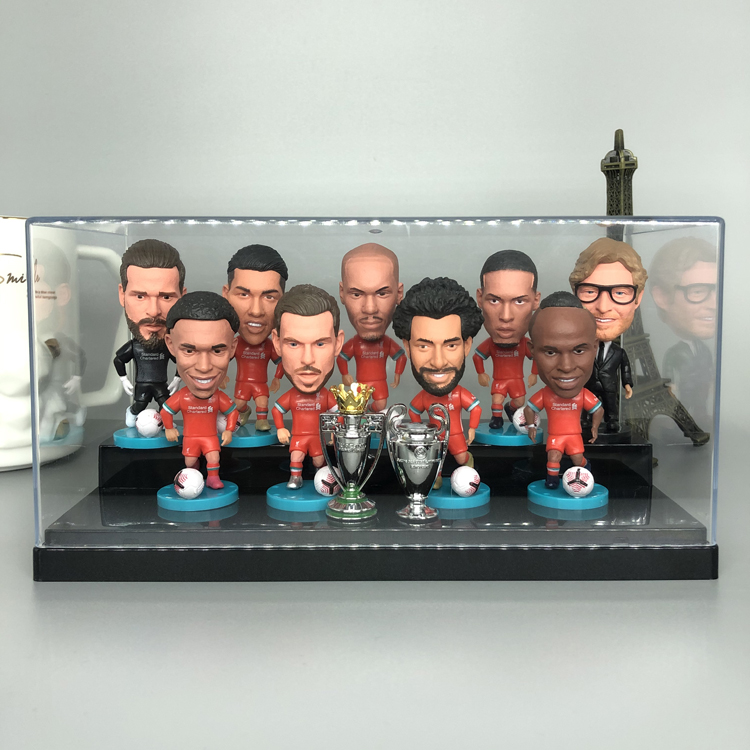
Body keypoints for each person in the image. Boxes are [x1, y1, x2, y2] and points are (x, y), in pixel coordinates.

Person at [392, 277, 484, 488]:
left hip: (457, 436)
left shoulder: (459, 394)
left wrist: (472, 429)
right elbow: (414, 410)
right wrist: (420, 430)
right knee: (435, 460)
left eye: (451, 345)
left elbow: (475, 409)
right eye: (424, 346)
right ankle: (437, 478)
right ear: (407, 346)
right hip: (434, 438)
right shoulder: (424, 397)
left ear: (467, 345)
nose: (438, 362)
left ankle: (468, 473)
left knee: (461, 457)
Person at [161, 291, 240, 490]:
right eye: (189, 350)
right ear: (170, 344)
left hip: (211, 438)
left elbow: (232, 412)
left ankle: (212, 478)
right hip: (190, 438)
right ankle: (192, 479)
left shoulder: (218, 397)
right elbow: (166, 411)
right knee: (189, 461)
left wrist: (229, 430)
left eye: (217, 350)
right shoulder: (182, 397)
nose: (204, 367)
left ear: (233, 347)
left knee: (213, 457)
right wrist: (169, 428)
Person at [524, 292, 603, 489]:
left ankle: (584, 473)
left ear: (595, 347)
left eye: (579, 351)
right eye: (551, 352)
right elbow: (530, 408)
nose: (566, 367)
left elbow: (598, 409)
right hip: (555, 436)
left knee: (577, 458)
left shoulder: (582, 395)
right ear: (532, 350)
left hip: (574, 436)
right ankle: (551, 481)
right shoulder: (546, 395)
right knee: (553, 456)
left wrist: (595, 427)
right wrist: (531, 426)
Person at [569, 238, 646, 432]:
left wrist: (627, 384)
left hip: (610, 388)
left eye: (620, 293)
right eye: (589, 291)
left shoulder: (618, 352)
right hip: (587, 388)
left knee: (612, 407)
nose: (603, 307)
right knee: (585, 409)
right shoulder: (577, 349)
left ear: (638, 298)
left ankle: (612, 421)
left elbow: (625, 368)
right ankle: (585, 422)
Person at [271, 284, 345, 489]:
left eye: (320, 344)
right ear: (276, 343)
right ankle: (295, 478)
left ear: (338, 344)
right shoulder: (291, 396)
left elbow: (338, 414)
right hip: (298, 438)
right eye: (294, 344)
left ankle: (322, 479)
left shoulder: (327, 396)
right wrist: (280, 429)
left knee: (320, 460)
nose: (307, 359)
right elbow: (277, 410)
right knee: (296, 456)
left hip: (318, 439)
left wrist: (335, 431)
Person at [114, 239, 186, 427]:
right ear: (122, 295)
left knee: (167, 407)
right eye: (140, 296)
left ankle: (168, 425)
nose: (154, 312)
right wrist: (123, 378)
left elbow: (180, 360)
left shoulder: (170, 347)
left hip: (161, 385)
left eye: (166, 297)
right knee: (138, 405)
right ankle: (132, 415)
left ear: (182, 298)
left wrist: (178, 378)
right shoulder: (134, 347)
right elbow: (119, 359)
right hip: (142, 385)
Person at [650, 236, 718, 424]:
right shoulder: (672, 351)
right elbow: (669, 371)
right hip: (684, 396)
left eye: (717, 290)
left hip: (700, 394)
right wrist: (671, 387)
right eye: (698, 291)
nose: (714, 304)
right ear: (662, 296)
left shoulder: (702, 348)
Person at [222, 244, 287, 430]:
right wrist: (222, 375)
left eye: (269, 297)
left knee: (262, 402)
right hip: (242, 384)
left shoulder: (271, 346)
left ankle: (261, 421)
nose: (256, 311)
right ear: (226, 295)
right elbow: (222, 359)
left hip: (261, 385)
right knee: (239, 404)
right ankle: (244, 413)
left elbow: (281, 361)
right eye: (244, 294)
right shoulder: (234, 344)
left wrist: (277, 378)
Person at [473, 249, 540, 429]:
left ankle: (509, 409)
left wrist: (534, 373)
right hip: (499, 380)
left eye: (519, 301)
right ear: (480, 298)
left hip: (517, 380)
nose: (506, 316)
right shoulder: (490, 345)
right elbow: (477, 356)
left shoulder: (526, 344)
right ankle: (496, 419)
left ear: (536, 301)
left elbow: (535, 356)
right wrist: (481, 373)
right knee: (496, 398)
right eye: (494, 301)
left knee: (519, 401)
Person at [337, 243, 406, 412]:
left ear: (399, 293)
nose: (370, 308)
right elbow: (342, 358)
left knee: (379, 405)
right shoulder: (354, 344)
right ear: (342, 293)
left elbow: (401, 357)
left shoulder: (387, 343)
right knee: (358, 407)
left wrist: (397, 374)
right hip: (361, 384)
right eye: (356, 294)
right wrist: (345, 374)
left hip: (380, 383)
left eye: (382, 293)